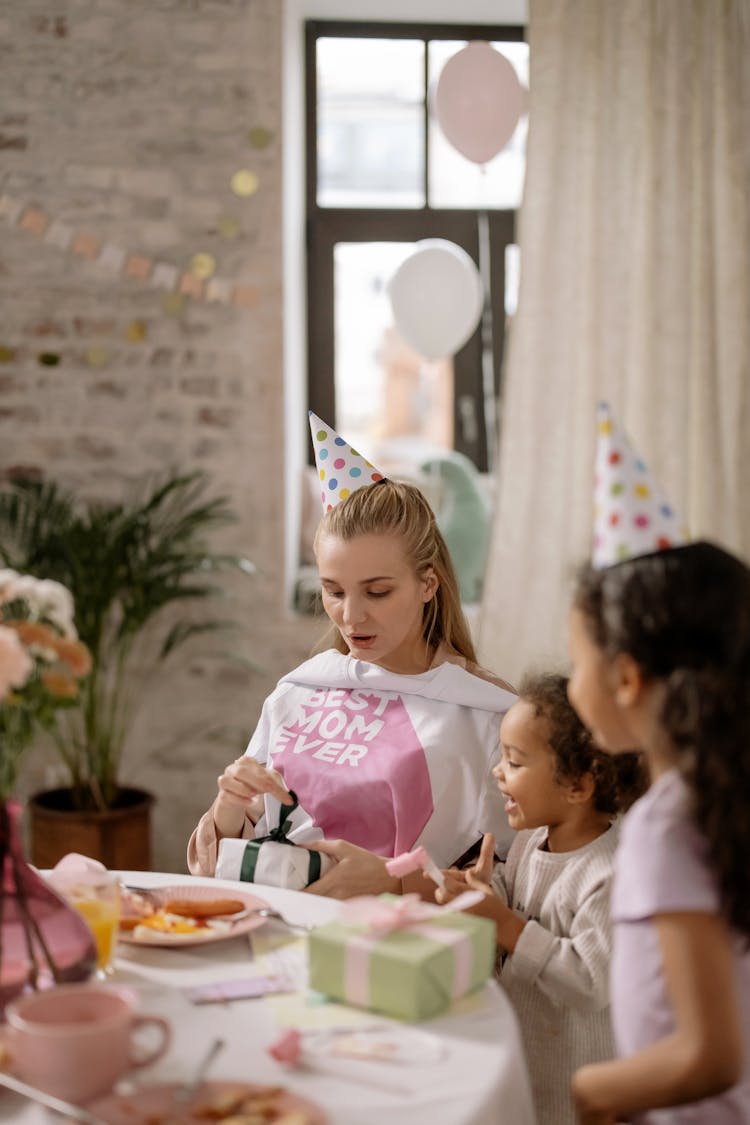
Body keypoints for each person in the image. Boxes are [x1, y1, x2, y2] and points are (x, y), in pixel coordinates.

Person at [188, 414, 517, 898]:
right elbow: (219, 864)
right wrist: (229, 807)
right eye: (333, 591)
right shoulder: (298, 692)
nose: (352, 616)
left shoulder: (490, 717)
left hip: (390, 953)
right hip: (274, 932)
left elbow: (511, 890)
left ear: (428, 583)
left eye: (377, 592)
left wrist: (396, 881)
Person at [567, 539, 750, 1124]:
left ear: (625, 677)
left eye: (576, 663)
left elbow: (709, 1054)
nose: (573, 685)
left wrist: (593, 1091)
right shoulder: (718, 800)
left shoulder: (666, 825)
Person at [435, 672, 646, 1125]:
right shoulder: (532, 839)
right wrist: (486, 891)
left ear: (577, 787)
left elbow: (590, 983)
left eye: (513, 761)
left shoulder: (611, 876)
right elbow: (520, 897)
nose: (497, 771)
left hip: (570, 1081)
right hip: (522, 1050)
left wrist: (505, 924)